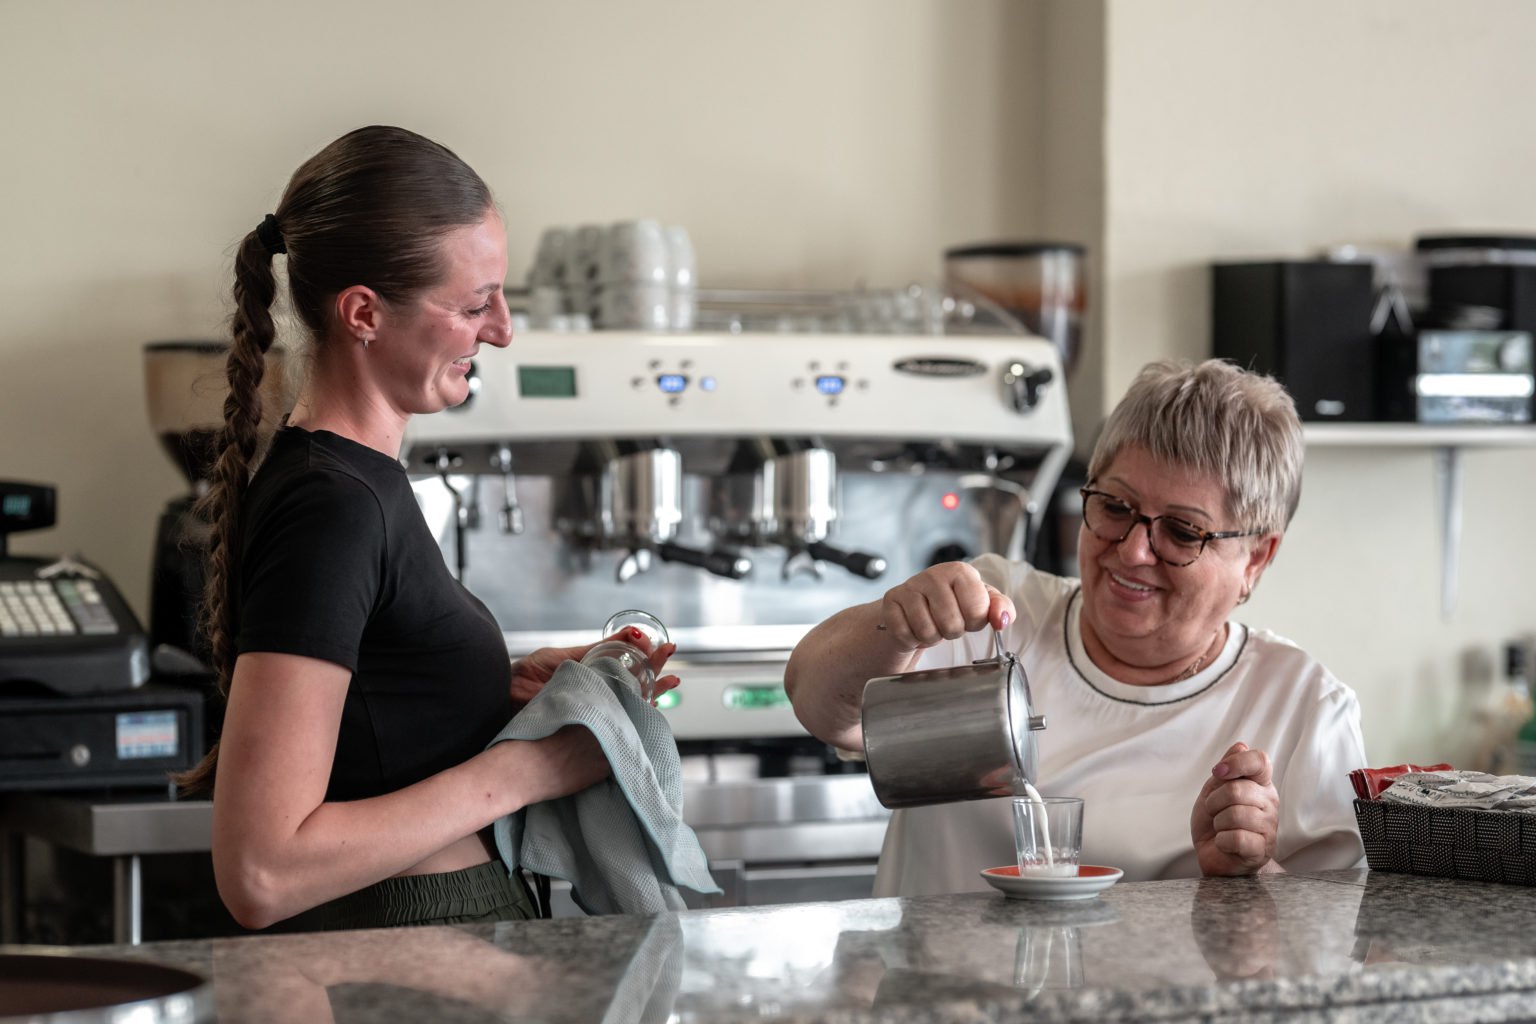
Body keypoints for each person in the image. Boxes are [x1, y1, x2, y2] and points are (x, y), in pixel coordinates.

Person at [175, 125, 676, 932]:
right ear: (364, 313)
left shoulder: (354, 483)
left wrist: (491, 688)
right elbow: (262, 870)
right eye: (476, 303)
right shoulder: (331, 506)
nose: (504, 329)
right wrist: (536, 768)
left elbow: (368, 719)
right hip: (404, 961)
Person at [784, 358, 1366, 895]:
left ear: (1257, 559)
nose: (1134, 551)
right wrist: (895, 625)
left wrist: (1253, 870)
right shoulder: (996, 612)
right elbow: (816, 702)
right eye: (1115, 507)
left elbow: (1338, 938)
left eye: (1183, 533)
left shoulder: (1301, 707)